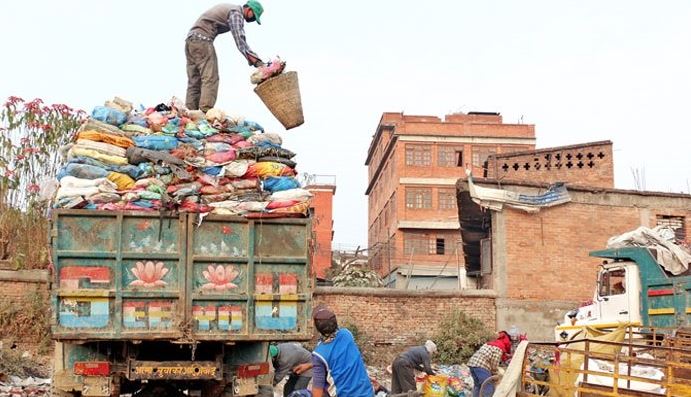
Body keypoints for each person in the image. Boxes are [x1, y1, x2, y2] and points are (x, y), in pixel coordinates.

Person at [185, 2, 265, 112]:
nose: (252, 20)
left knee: (194, 80)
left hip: (191, 41)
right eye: (253, 16)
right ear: (249, 10)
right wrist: (257, 62)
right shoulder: (237, 13)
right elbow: (240, 40)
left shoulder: (230, 8)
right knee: (210, 78)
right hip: (203, 41)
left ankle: (190, 112)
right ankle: (205, 111)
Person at [294, 306, 373, 397]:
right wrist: (309, 365)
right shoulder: (347, 334)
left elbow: (317, 389)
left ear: (317, 327)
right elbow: (335, 357)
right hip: (366, 392)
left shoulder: (319, 353)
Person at [467, 331, 512, 397]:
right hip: (481, 366)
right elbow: (494, 363)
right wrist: (495, 374)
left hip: (472, 364)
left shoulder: (491, 344)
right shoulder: (499, 348)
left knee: (478, 385)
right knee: (488, 386)